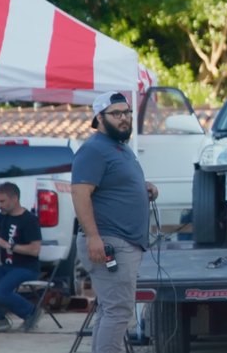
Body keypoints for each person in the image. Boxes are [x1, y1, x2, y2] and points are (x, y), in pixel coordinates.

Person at [72, 91, 158, 353]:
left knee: (110, 311)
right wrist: (93, 238)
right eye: (116, 113)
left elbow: (112, 184)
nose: (124, 118)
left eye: (127, 112)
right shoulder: (94, 149)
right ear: (99, 118)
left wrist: (142, 187)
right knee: (119, 311)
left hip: (121, 242)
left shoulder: (119, 148)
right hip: (110, 242)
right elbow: (80, 192)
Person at [0, 181, 42, 332]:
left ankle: (31, 312)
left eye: (2, 201)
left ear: (14, 199)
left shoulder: (30, 220)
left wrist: (8, 245)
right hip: (6, 266)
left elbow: (35, 250)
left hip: (26, 268)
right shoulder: (3, 216)